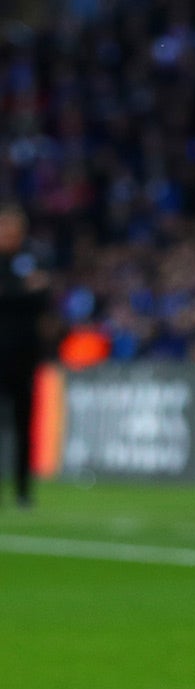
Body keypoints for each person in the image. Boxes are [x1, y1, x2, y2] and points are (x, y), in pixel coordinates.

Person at [0, 207, 50, 506]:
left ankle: (22, 491)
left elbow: (43, 297)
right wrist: (24, 292)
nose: (10, 236)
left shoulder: (31, 259)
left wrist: (11, 293)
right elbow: (31, 295)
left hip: (24, 357)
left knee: (24, 426)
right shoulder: (26, 269)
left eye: (14, 231)